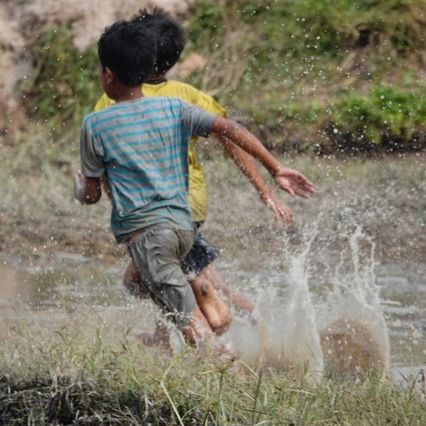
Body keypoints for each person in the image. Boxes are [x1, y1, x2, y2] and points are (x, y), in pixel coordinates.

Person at [74, 19, 315, 353]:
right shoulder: (180, 104)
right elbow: (231, 132)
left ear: (108, 74)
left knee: (184, 312)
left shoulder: (97, 120)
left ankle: (227, 369)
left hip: (148, 227)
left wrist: (81, 187)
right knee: (169, 282)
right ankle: (198, 324)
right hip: (185, 217)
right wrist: (273, 171)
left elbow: (92, 190)